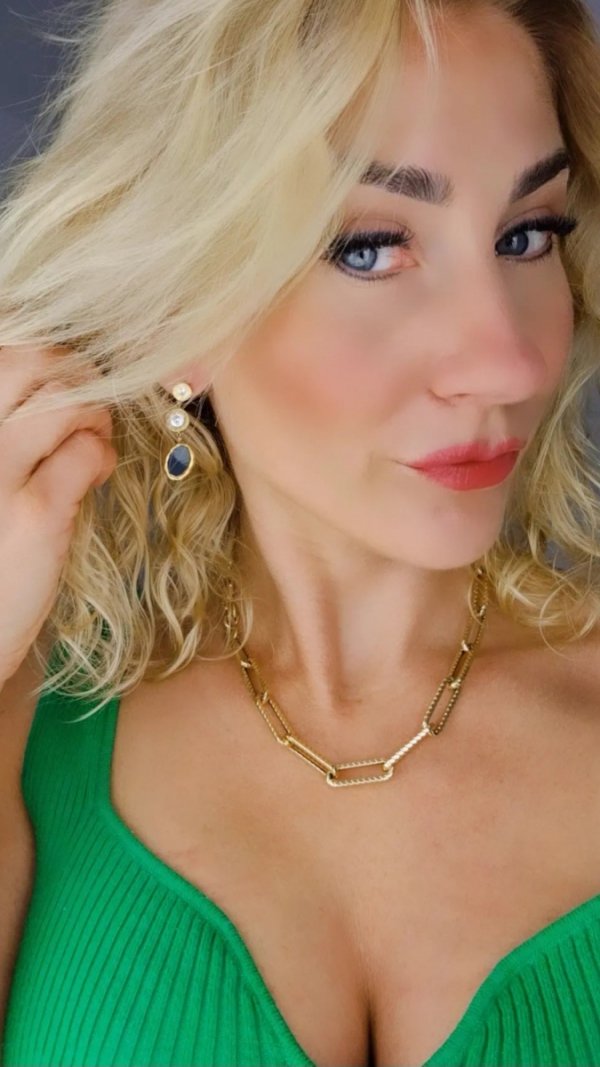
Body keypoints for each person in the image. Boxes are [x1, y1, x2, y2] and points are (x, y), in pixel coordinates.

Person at [1, 0, 600, 1063]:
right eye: (371, 248)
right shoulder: (32, 741)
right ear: (179, 309)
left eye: (526, 235)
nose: (507, 360)